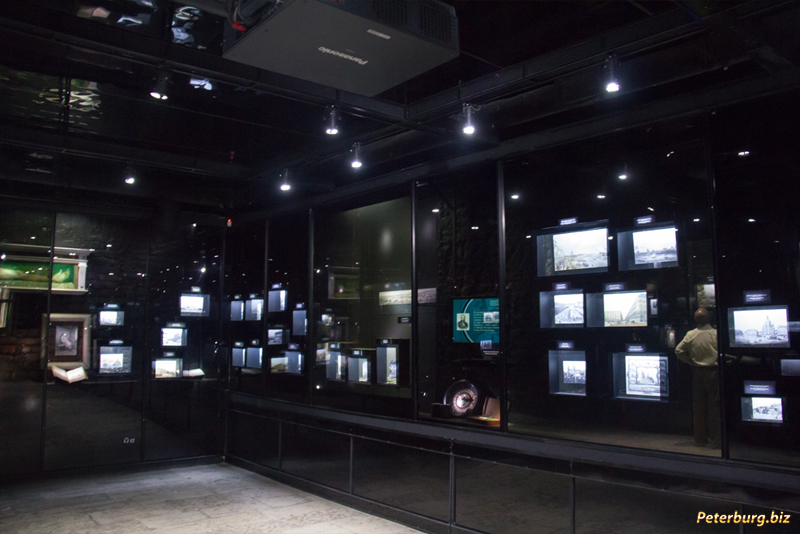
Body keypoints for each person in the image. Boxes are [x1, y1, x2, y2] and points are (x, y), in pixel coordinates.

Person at [675, 307, 720, 448]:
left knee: (699, 408)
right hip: (714, 372)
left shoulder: (691, 334)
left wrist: (691, 362)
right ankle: (716, 440)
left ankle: (700, 439)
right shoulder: (716, 334)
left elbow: (678, 350)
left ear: (695, 320)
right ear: (709, 318)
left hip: (697, 373)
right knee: (715, 407)